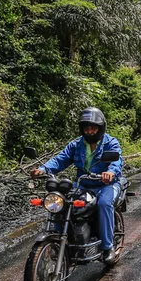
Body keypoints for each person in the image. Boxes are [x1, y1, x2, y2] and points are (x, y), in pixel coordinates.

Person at [31, 107, 124, 264]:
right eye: (86, 128)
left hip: (106, 184)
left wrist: (111, 172)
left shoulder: (110, 142)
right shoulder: (76, 144)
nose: (89, 131)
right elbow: (60, 159)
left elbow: (117, 160)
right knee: (64, 203)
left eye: (93, 127)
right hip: (83, 184)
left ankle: (108, 247)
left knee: (104, 203)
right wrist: (43, 169)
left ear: (100, 128)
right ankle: (61, 238)